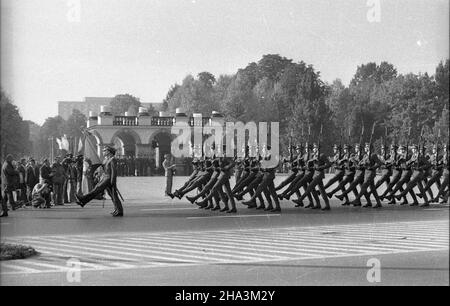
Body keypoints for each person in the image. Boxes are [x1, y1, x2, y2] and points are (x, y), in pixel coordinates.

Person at [75, 145, 124, 217]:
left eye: (105, 150)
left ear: (109, 152)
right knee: (112, 195)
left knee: (97, 190)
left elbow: (114, 172)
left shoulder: (112, 159)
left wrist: (113, 182)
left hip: (108, 179)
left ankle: (83, 200)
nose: (103, 152)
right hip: (105, 178)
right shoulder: (106, 159)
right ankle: (118, 210)